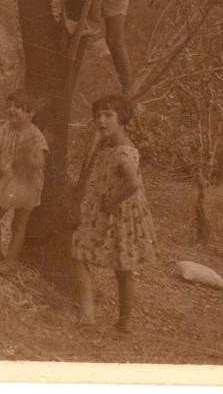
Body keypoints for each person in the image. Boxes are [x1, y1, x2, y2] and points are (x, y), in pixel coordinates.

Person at [72, 94, 157, 332]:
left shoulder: (122, 152)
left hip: (120, 211)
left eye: (108, 115)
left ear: (123, 119)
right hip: (114, 210)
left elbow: (133, 184)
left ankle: (112, 321)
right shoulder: (112, 147)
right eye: (98, 116)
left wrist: (112, 202)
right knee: (102, 261)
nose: (101, 120)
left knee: (114, 265)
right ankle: (110, 320)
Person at [0, 90, 49, 274]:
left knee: (19, 223)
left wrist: (29, 158)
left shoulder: (36, 136)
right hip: (7, 180)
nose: (11, 110)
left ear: (31, 113)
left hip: (27, 183)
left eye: (17, 107)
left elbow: (40, 162)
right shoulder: (4, 129)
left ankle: (10, 262)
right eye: (9, 106)